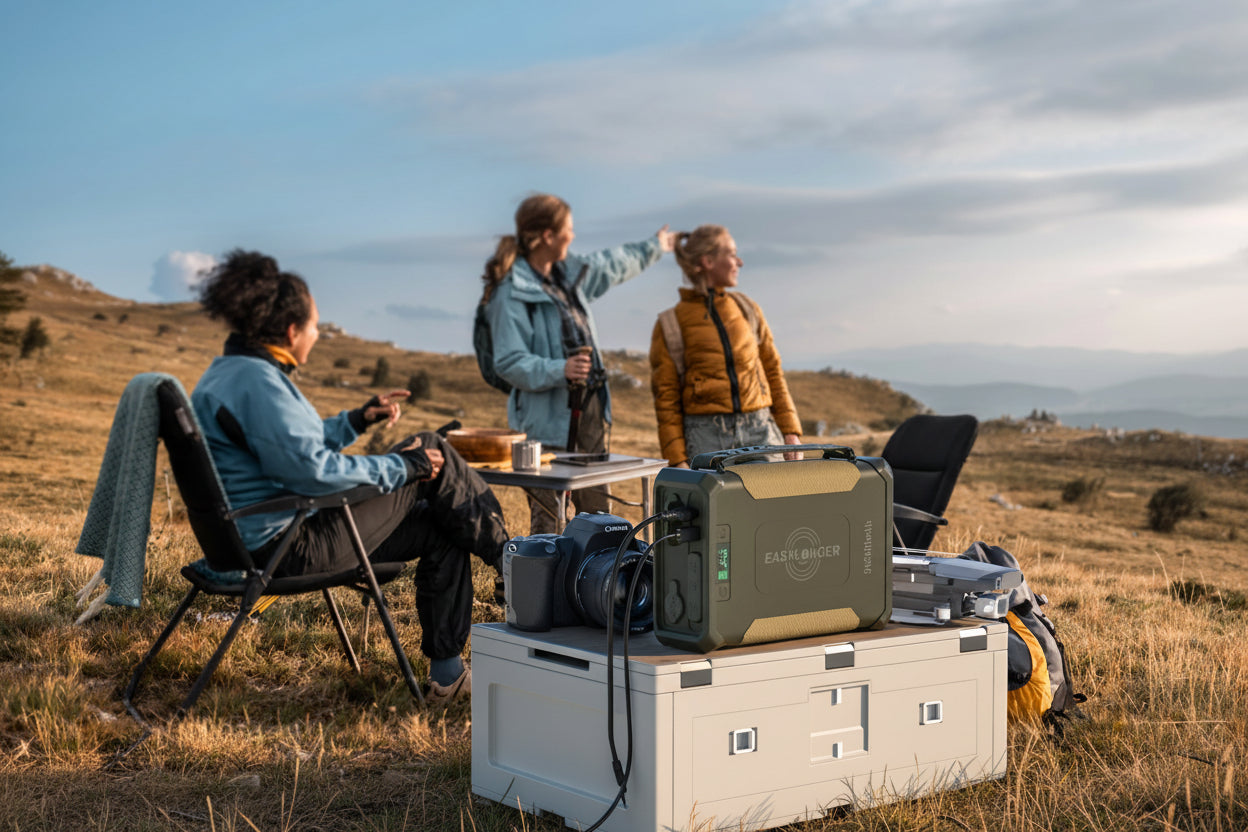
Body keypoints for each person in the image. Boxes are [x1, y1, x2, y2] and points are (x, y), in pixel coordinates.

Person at [191, 249, 507, 703]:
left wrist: (357, 420)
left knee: (442, 526)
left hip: (259, 538)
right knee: (431, 447)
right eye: (316, 325)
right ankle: (513, 561)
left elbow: (292, 447)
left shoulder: (229, 374)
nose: (318, 334)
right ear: (291, 331)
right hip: (290, 546)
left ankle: (448, 675)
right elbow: (313, 471)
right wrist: (405, 467)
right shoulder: (259, 383)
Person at [483, 194, 675, 532]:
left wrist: (655, 246)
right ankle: (541, 582)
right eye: (568, 229)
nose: (573, 236)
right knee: (549, 515)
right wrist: (561, 369)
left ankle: (598, 580)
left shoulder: (569, 276)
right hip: (545, 424)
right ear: (547, 236)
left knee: (597, 511)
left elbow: (614, 262)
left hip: (588, 411)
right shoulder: (510, 292)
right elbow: (509, 362)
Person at [649, 225, 802, 468]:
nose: (738, 262)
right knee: (719, 508)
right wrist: (678, 460)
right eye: (731, 254)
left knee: (777, 505)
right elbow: (666, 400)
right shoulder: (669, 324)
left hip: (761, 431)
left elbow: (773, 371)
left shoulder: (747, 309)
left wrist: (791, 432)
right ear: (708, 261)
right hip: (705, 440)